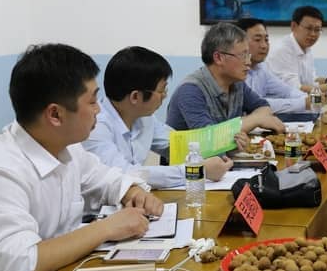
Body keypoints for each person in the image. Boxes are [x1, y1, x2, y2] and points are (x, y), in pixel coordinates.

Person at [0, 44, 163, 271]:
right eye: (92, 100)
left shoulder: (66, 147)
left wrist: (134, 192)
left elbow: (108, 179)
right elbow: (18, 268)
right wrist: (106, 228)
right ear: (55, 114)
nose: (99, 110)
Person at [83, 46, 232, 189]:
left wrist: (228, 142)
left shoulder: (144, 117)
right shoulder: (96, 126)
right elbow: (125, 174)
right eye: (161, 90)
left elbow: (178, 145)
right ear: (135, 97)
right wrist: (196, 171)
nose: (165, 95)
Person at [166, 22, 285, 149]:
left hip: (226, 157)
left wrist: (239, 128)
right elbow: (207, 140)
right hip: (190, 160)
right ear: (218, 58)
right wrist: (255, 120)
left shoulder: (237, 84)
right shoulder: (190, 90)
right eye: (243, 55)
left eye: (248, 55)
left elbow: (264, 107)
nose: (248, 62)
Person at [237, 18, 312, 120]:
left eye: (266, 40)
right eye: (257, 40)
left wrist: (308, 99)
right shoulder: (234, 73)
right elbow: (257, 105)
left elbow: (287, 91)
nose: (264, 46)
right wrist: (304, 102)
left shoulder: (262, 68)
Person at [265, 5, 327, 93]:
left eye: (317, 30)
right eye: (309, 28)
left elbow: (311, 81)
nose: (313, 34)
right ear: (294, 26)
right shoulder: (282, 50)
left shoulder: (306, 48)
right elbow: (295, 89)